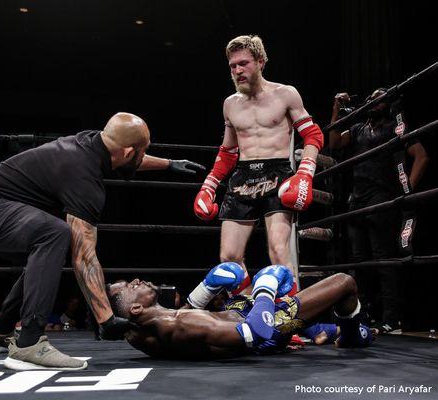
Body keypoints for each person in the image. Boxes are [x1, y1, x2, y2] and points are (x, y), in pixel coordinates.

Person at [0, 112, 204, 371]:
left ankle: (0, 332)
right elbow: (84, 256)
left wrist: (169, 164)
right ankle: (29, 344)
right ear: (128, 151)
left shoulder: (94, 144)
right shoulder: (83, 177)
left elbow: (127, 158)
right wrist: (106, 318)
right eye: (143, 150)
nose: (143, 155)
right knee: (55, 234)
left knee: (47, 249)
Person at [193, 35, 324, 295]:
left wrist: (305, 174)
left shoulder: (285, 94)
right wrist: (209, 185)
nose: (238, 71)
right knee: (229, 257)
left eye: (244, 63)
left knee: (278, 249)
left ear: (261, 62)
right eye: (233, 66)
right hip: (242, 177)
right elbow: (228, 151)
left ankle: (289, 319)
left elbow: (313, 135)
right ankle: (250, 312)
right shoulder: (230, 104)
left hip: (277, 174)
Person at [107, 264, 372, 359]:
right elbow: (253, 332)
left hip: (240, 315)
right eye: (130, 287)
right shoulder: (181, 324)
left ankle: (335, 331)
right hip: (265, 327)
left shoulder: (140, 331)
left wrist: (206, 289)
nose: (137, 280)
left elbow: (181, 322)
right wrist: (265, 290)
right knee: (344, 282)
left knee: (235, 282)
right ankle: (352, 337)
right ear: (136, 307)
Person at [329, 89, 429, 333]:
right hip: (357, 199)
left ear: (389, 104)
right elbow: (333, 143)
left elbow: (421, 156)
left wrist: (406, 190)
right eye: (371, 97)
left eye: (380, 98)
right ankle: (361, 314)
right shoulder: (358, 129)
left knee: (383, 257)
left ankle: (391, 318)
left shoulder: (394, 129)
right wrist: (335, 110)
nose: (373, 100)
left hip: (382, 196)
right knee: (358, 261)